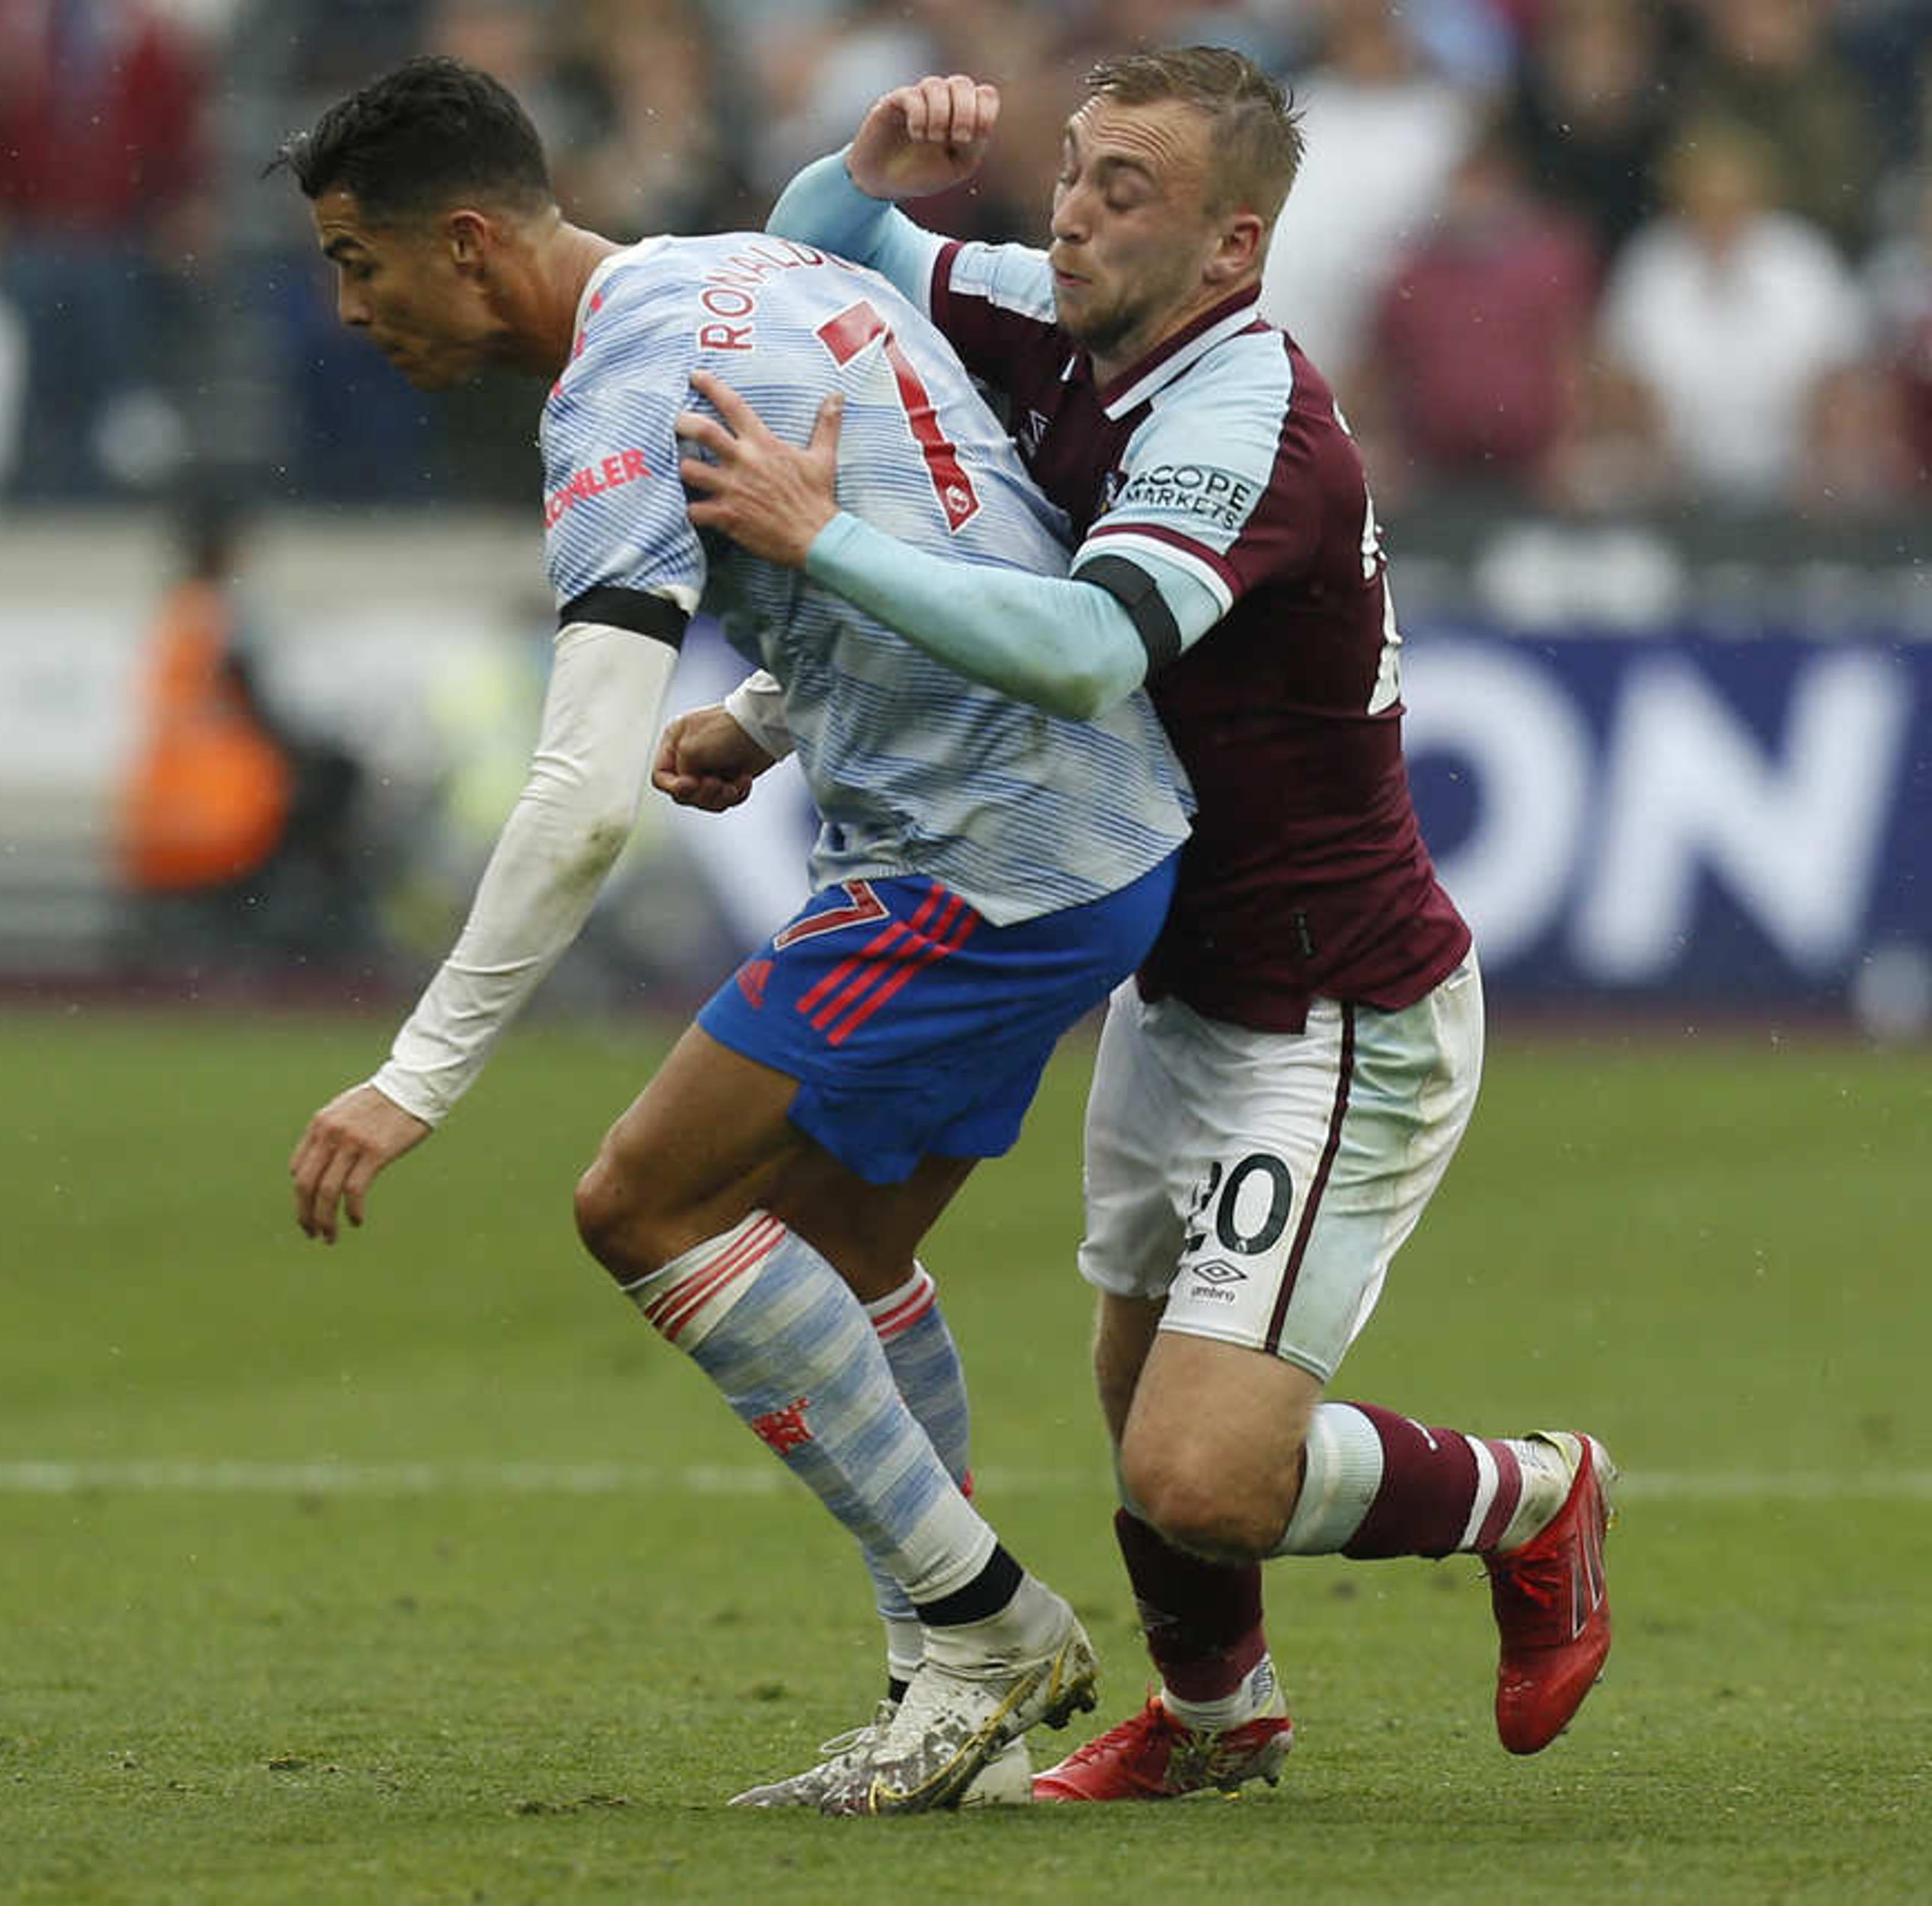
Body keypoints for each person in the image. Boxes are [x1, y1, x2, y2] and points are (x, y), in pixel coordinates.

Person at [673, 53, 1616, 1802]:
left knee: (1198, 1468)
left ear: (1232, 246)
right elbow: (816, 260)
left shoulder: (1248, 423)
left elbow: (1083, 651)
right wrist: (859, 167)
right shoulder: (1061, 310)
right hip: (1177, 980)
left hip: (1336, 1008)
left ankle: (1533, 1492)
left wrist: (817, 547)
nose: (1076, 209)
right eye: (1081, 168)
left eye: (1129, 191)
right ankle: (1218, 1717)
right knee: (1131, 1383)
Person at [274, 56, 1193, 1814]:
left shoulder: (618, 386)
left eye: (356, 260)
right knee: (837, 1246)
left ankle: (985, 1622)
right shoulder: (759, 272)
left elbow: (579, 795)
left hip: (977, 859)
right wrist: (773, 711)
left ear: (467, 243)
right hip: (1090, 828)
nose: (348, 306)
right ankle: (951, 1699)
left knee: (641, 1198)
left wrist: (415, 1074)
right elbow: (963, 497)